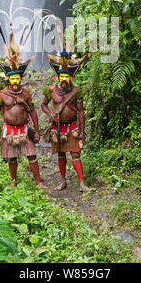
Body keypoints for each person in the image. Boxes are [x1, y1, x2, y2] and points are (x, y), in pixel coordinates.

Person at [41, 50, 94, 192]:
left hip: (72, 127)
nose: (64, 79)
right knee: (61, 154)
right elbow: (43, 105)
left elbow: (81, 112)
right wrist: (50, 114)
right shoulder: (52, 90)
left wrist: (82, 132)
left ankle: (82, 184)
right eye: (62, 76)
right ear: (57, 77)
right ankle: (63, 181)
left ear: (71, 77)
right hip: (58, 128)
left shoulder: (76, 91)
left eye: (67, 76)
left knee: (76, 154)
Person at [0, 64, 45, 188]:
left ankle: (38, 182)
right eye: (12, 79)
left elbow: (33, 112)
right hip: (9, 130)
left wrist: (36, 131)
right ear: (8, 79)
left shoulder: (25, 94)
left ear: (20, 79)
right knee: (12, 157)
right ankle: (13, 181)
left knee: (32, 155)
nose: (15, 81)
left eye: (17, 79)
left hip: (24, 129)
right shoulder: (2, 95)